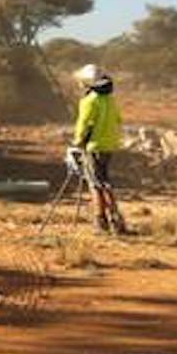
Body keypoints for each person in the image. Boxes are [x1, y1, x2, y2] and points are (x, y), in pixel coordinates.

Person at [69, 63, 127, 233]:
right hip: (109, 145)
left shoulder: (89, 101)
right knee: (104, 181)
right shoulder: (111, 100)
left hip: (94, 147)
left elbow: (83, 124)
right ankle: (115, 219)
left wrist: (78, 141)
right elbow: (118, 120)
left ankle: (102, 221)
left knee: (96, 184)